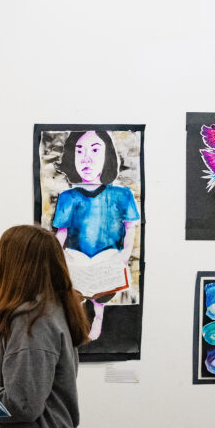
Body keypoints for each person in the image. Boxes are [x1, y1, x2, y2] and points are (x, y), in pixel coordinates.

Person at [0, 225, 92, 428]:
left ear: (17, 262)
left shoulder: (32, 322)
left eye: (1, 249)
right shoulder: (44, 310)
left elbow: (22, 403)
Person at [52, 129, 140, 338]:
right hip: (76, 258)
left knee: (101, 295)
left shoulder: (122, 194)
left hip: (108, 258)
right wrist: (56, 257)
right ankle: (78, 321)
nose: (87, 158)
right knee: (75, 293)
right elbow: (61, 232)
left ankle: (98, 316)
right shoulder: (68, 197)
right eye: (79, 151)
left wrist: (124, 255)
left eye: (94, 150)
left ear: (107, 156)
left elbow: (131, 227)